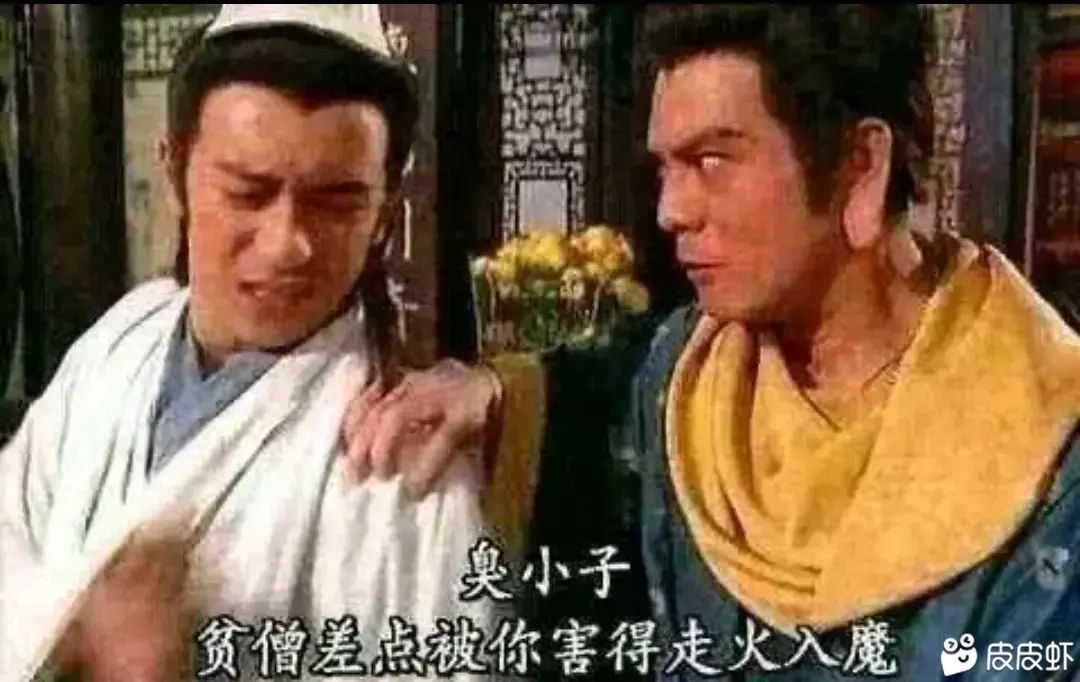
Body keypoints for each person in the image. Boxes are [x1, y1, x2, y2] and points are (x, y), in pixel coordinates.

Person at [343, 5, 1080, 680]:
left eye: (711, 162)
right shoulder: (680, 377)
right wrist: (493, 393)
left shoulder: (1045, 441)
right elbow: (582, 389)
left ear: (859, 166)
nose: (671, 210)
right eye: (665, 168)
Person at [0, 5, 496, 681]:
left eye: (337, 202)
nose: (287, 244)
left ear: (384, 212)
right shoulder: (121, 340)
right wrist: (78, 628)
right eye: (247, 193)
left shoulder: (405, 467)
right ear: (174, 172)